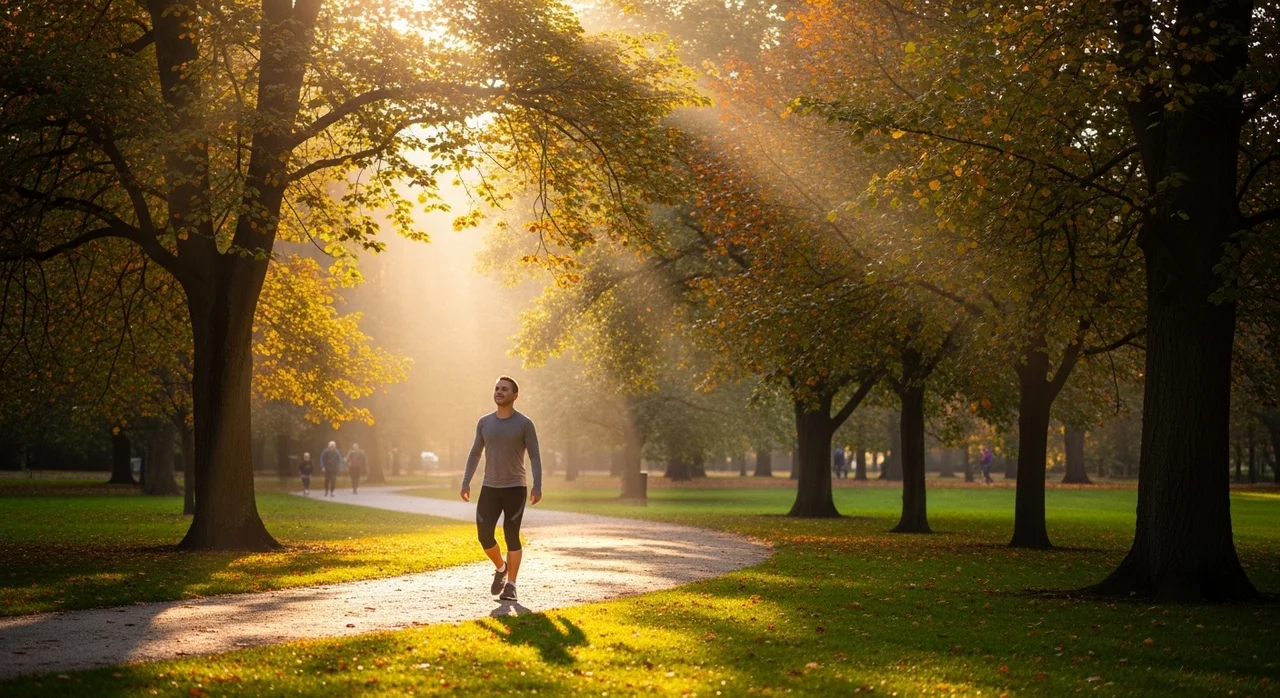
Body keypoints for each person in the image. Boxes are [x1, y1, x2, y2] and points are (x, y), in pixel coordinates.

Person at [460, 375, 542, 603]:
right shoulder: (484, 422)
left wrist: (538, 485)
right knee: (484, 536)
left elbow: (534, 454)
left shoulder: (524, 423)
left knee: (511, 535)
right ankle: (501, 567)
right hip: (490, 487)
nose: (499, 392)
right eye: (497, 388)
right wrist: (466, 481)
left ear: (514, 395)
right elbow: (475, 452)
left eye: (504, 389)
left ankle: (512, 586)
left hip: (515, 487)